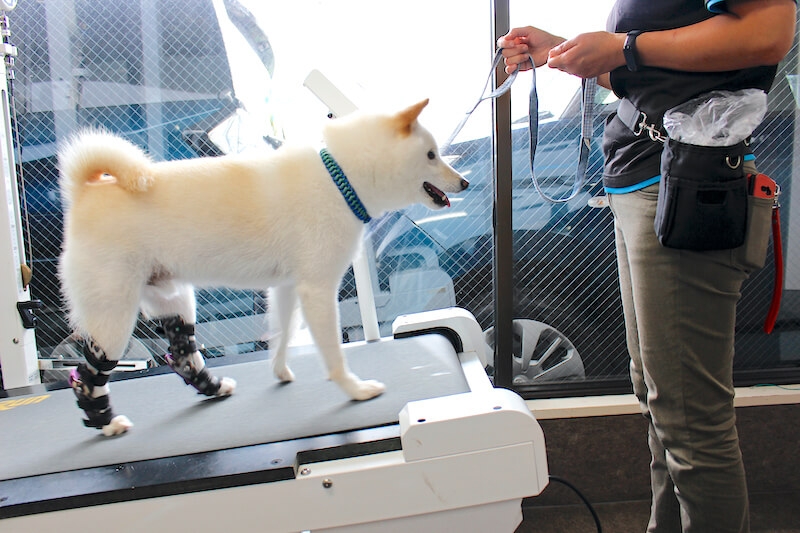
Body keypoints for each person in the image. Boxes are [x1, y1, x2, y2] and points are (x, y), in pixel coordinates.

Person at [498, 1, 797, 532]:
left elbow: (768, 32)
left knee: (689, 419)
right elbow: (657, 75)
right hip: (641, 180)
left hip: (685, 181)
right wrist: (567, 53)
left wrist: (622, 46)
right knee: (660, 399)